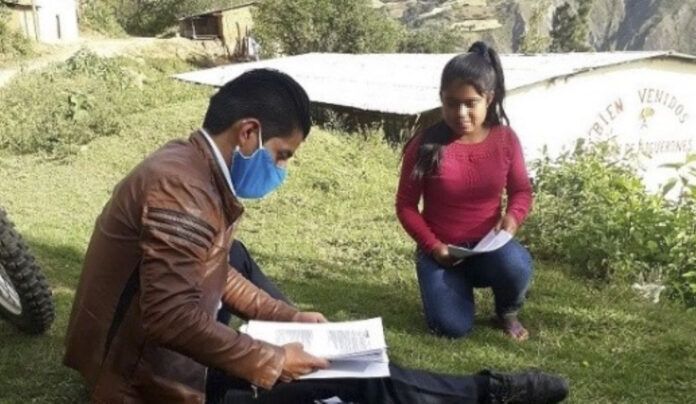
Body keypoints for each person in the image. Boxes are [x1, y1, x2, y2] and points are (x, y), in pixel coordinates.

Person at [64, 68, 567, 403]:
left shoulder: (190, 169)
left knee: (335, 363)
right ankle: (487, 393)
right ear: (248, 133)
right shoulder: (183, 189)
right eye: (282, 155)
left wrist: (287, 317)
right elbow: (170, 316)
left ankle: (480, 391)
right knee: (354, 379)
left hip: (155, 363)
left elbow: (215, 269)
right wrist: (272, 358)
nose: (281, 169)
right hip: (149, 385)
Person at [396, 41, 534, 341]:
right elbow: (405, 205)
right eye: (451, 103)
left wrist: (513, 217)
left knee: (517, 265)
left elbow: (522, 190)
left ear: (489, 99)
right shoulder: (425, 145)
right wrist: (434, 247)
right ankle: (452, 291)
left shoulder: (506, 140)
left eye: (470, 103)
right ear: (441, 99)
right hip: (440, 253)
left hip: (489, 250)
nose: (461, 113)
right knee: (451, 328)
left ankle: (507, 310)